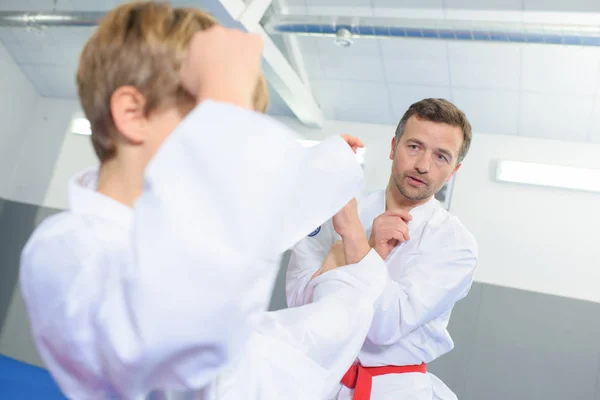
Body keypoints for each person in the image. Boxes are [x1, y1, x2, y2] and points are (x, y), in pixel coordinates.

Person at [19, 2, 389, 399]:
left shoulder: (178, 232)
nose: (223, 149)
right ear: (134, 113)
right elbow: (187, 307)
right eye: (208, 119)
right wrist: (226, 94)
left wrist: (326, 168)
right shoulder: (64, 249)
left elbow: (241, 225)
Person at [286, 98, 479, 400]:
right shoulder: (339, 209)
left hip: (394, 390)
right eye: (414, 146)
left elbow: (383, 328)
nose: (423, 165)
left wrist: (353, 240)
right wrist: (363, 247)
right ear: (393, 147)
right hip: (318, 382)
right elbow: (300, 306)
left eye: (441, 157)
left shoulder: (455, 244)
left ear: (453, 170)